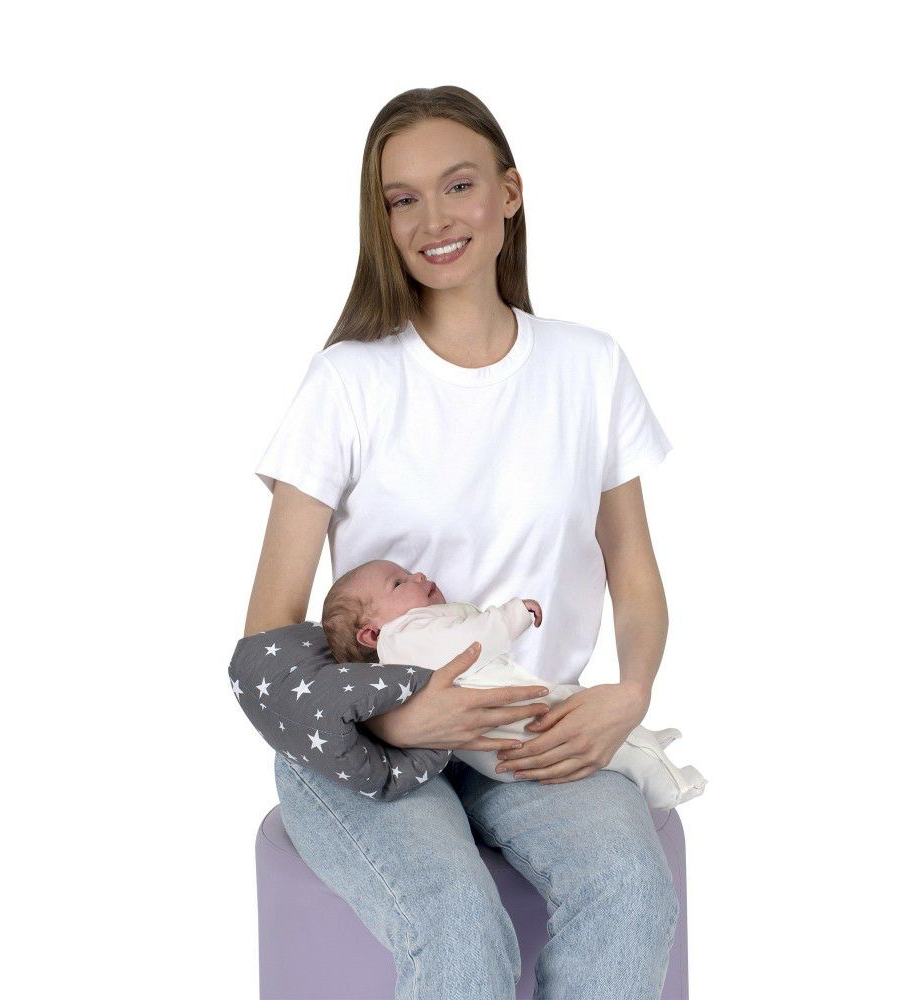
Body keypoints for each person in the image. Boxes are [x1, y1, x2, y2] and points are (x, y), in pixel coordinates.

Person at [244, 85, 683, 1000]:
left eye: (459, 185)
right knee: (455, 919)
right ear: (382, 222)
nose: (433, 220)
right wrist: (394, 721)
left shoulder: (588, 367)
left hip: (532, 731)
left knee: (630, 886)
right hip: (370, 740)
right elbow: (269, 628)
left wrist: (629, 693)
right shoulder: (348, 381)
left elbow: (634, 573)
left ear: (509, 193)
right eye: (402, 199)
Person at [320, 557, 708, 810]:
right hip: (514, 728)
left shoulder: (409, 640)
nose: (417, 576)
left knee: (590, 709)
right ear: (371, 634)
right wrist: (514, 613)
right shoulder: (403, 635)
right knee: (604, 736)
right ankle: (671, 785)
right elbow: (474, 640)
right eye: (399, 583)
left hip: (500, 738)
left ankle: (645, 738)